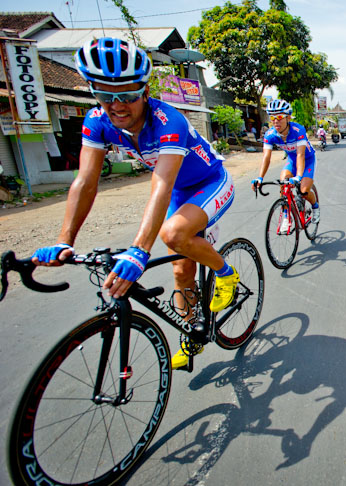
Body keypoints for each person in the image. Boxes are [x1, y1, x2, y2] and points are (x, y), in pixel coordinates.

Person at [31, 37, 238, 370]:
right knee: (181, 270)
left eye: (127, 95)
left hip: (210, 182)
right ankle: (191, 335)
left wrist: (139, 250)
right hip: (181, 194)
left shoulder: (169, 121)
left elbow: (161, 183)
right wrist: (63, 242)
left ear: (144, 91)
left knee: (173, 235)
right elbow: (85, 182)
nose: (118, 106)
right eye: (105, 96)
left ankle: (226, 273)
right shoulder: (97, 122)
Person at [252, 99, 320, 226]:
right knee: (283, 182)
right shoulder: (270, 135)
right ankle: (285, 216)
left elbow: (300, 155)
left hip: (307, 160)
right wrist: (260, 178)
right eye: (272, 117)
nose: (276, 121)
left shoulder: (298, 130)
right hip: (292, 161)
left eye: (279, 116)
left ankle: (315, 206)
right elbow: (266, 157)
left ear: (288, 117)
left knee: (304, 191)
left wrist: (299, 176)